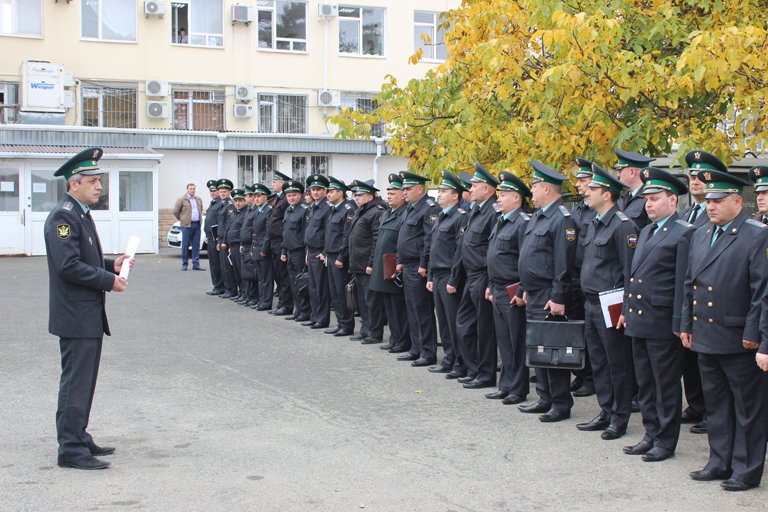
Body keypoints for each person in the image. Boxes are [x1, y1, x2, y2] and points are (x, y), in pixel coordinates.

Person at [44, 147, 134, 470]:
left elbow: (87, 259)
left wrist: (113, 264)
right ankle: (69, 448)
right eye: (93, 181)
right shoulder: (63, 216)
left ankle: (77, 435)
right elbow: (68, 266)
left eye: (99, 180)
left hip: (86, 315)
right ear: (74, 183)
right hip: (75, 316)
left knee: (84, 380)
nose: (99, 186)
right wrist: (109, 280)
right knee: (75, 381)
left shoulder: (80, 212)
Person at [680, 169, 768, 492]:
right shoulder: (701, 234)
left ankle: (746, 468)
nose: (711, 206)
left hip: (738, 337)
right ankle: (720, 460)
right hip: (706, 335)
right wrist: (685, 324)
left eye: (718, 200)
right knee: (716, 404)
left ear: (736, 200)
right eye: (709, 201)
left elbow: (763, 293)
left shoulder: (756, 235)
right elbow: (691, 283)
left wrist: (759, 336)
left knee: (747, 408)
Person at [619, 167, 694, 462]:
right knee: (646, 383)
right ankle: (650, 433)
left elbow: (682, 284)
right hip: (639, 318)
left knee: (665, 384)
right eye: (647, 199)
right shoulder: (647, 231)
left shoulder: (683, 234)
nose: (649, 204)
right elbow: (633, 276)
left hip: (662, 322)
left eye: (656, 198)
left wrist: (680, 323)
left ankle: (665, 439)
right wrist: (626, 309)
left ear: (673, 201)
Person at [577, 163, 638, 440]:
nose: (587, 192)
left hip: (610, 304)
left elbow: (629, 272)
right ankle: (606, 410)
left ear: (608, 194)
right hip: (591, 303)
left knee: (617, 363)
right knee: (599, 362)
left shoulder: (623, 227)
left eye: (593, 188)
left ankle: (619, 416)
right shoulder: (593, 223)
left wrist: (626, 309)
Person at [516, 160, 577, 423]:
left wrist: (558, 296)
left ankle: (561, 402)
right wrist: (524, 287)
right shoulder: (538, 217)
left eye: (535, 186)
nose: (532, 192)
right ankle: (544, 397)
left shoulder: (563, 219)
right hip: (534, 291)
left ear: (548, 189)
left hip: (549, 293)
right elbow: (528, 256)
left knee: (553, 348)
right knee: (538, 347)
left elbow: (564, 263)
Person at [679, 150, 728, 434]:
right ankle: (697, 405)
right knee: (690, 361)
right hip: (691, 297)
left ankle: (709, 410)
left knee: (708, 364)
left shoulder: (716, 219)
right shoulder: (687, 214)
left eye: (701, 177)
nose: (695, 181)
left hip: (714, 305)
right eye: (692, 176)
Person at [484, 170, 530, 404]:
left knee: (516, 341)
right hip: (498, 287)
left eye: (503, 195)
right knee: (504, 340)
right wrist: (491, 285)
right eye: (499, 194)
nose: (498, 199)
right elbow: (495, 256)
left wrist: (522, 290)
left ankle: (518, 388)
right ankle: (506, 384)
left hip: (513, 289)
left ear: (517, 198)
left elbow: (524, 260)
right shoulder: (501, 221)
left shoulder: (522, 223)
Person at [454, 162, 499, 388]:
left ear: (487, 189)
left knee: (484, 329)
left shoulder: (493, 212)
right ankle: (474, 368)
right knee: (464, 324)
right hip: (470, 276)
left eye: (475, 185)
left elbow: (493, 250)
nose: (470, 190)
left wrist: (490, 280)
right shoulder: (477, 210)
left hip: (482, 275)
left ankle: (485, 373)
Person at [396, 171, 441, 364]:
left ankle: (428, 352)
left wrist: (424, 264)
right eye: (403, 189)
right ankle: (416, 348)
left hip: (418, 266)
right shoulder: (410, 208)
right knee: (411, 309)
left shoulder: (429, 208)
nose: (404, 192)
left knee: (422, 310)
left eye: (408, 189)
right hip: (407, 265)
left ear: (420, 189)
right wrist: (399, 259)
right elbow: (404, 237)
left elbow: (428, 240)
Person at [426, 171, 468, 376]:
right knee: (442, 321)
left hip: (450, 276)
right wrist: (430, 277)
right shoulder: (442, 217)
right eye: (440, 191)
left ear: (455, 196)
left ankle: (460, 363)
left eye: (444, 191)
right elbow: (434, 248)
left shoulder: (460, 217)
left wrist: (454, 278)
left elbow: (459, 252)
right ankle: (449, 359)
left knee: (453, 322)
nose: (439, 195)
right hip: (438, 275)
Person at [370, 173, 412, 353]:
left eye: (393, 193)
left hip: (394, 265)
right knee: (389, 306)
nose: (389, 197)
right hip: (383, 265)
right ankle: (395, 338)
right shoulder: (388, 213)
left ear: (403, 195)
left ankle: (402, 341)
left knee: (398, 307)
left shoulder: (405, 213)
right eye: (388, 194)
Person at [568, 158, 596, 398]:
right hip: (576, 276)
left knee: (591, 333)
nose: (578, 184)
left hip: (589, 277)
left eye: (583, 180)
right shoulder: (579, 209)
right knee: (579, 328)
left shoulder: (597, 211)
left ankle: (592, 378)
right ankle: (582, 373)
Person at [348, 179, 387, 343]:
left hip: (366, 264)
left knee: (372, 301)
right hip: (358, 263)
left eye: (360, 195)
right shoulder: (362, 210)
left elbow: (376, 240)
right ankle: (366, 329)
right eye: (356, 195)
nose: (356, 198)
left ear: (370, 196)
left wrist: (371, 263)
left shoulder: (376, 211)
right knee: (363, 301)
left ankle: (374, 332)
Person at [323, 176, 357, 336]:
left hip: (339, 257)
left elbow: (346, 237)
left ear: (341, 193)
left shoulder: (348, 209)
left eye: (331, 191)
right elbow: (329, 234)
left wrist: (341, 257)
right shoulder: (333, 209)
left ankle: (347, 324)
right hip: (330, 255)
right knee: (334, 292)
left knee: (342, 292)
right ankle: (340, 322)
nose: (328, 194)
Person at [302, 175, 332, 329]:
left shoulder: (326, 208)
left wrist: (325, 252)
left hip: (320, 252)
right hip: (311, 250)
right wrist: (307, 252)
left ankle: (322, 318)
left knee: (321, 287)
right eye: (313, 189)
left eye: (318, 189)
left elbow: (328, 232)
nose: (315, 192)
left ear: (324, 191)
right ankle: (315, 316)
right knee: (312, 287)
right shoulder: (313, 207)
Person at [281, 180, 311, 322]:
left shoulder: (304, 210)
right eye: (289, 195)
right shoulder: (288, 210)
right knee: (293, 282)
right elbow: (285, 232)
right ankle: (297, 309)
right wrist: (283, 251)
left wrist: (306, 253)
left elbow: (306, 234)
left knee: (302, 283)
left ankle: (305, 311)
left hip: (299, 251)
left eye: (294, 195)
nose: (291, 198)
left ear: (300, 195)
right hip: (289, 251)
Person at [267, 170, 293, 316]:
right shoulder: (281, 198)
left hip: (280, 242)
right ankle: (282, 303)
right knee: (279, 275)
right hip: (275, 242)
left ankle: (286, 305)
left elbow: (284, 224)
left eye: (275, 181)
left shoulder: (285, 199)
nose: (272, 184)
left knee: (283, 277)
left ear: (282, 183)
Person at [614, 148, 653, 229]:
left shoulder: (649, 198)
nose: (618, 175)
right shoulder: (622, 198)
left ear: (632, 172)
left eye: (620, 170)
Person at [250, 183, 274, 310]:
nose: (257, 198)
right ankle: (261, 299)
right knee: (260, 276)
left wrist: (264, 249)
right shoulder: (259, 211)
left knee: (266, 277)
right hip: (257, 247)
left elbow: (268, 233)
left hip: (263, 249)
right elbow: (255, 232)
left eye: (259, 196)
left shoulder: (268, 211)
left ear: (266, 197)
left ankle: (266, 301)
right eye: (255, 196)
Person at [173, 183, 204, 271]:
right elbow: (176, 211)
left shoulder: (198, 199)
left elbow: (200, 210)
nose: (192, 190)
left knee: (196, 245)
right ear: (187, 189)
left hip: (197, 225)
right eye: (190, 189)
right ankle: (184, 264)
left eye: (194, 189)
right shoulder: (181, 199)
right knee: (185, 245)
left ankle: (196, 264)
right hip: (186, 225)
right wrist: (182, 219)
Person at [237, 186, 259, 305]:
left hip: (251, 245)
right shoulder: (249, 210)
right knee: (246, 272)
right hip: (245, 245)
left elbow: (254, 230)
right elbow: (244, 228)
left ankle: (254, 296)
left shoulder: (256, 210)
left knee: (252, 272)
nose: (245, 198)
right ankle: (248, 295)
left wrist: (251, 246)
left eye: (246, 196)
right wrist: (242, 243)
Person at [215, 179, 236, 298]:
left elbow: (229, 225)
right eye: (221, 191)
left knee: (228, 267)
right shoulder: (222, 205)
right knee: (223, 267)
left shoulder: (230, 206)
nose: (222, 193)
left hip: (226, 240)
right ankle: (227, 289)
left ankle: (231, 290)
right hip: (221, 238)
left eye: (225, 191)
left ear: (229, 192)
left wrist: (224, 241)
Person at [224, 188, 247, 302]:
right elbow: (229, 229)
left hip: (239, 245)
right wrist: (228, 245)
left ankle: (244, 292)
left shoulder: (245, 213)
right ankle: (240, 292)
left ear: (244, 201)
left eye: (240, 200)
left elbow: (244, 231)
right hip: (232, 245)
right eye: (236, 201)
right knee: (236, 271)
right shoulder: (234, 213)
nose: (237, 203)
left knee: (242, 271)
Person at [204, 179, 224, 295]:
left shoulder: (221, 204)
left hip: (216, 238)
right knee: (212, 263)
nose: (212, 193)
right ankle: (216, 285)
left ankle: (220, 286)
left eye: (214, 191)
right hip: (210, 237)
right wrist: (207, 235)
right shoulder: (213, 203)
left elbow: (219, 222)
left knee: (217, 263)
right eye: (210, 191)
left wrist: (217, 239)